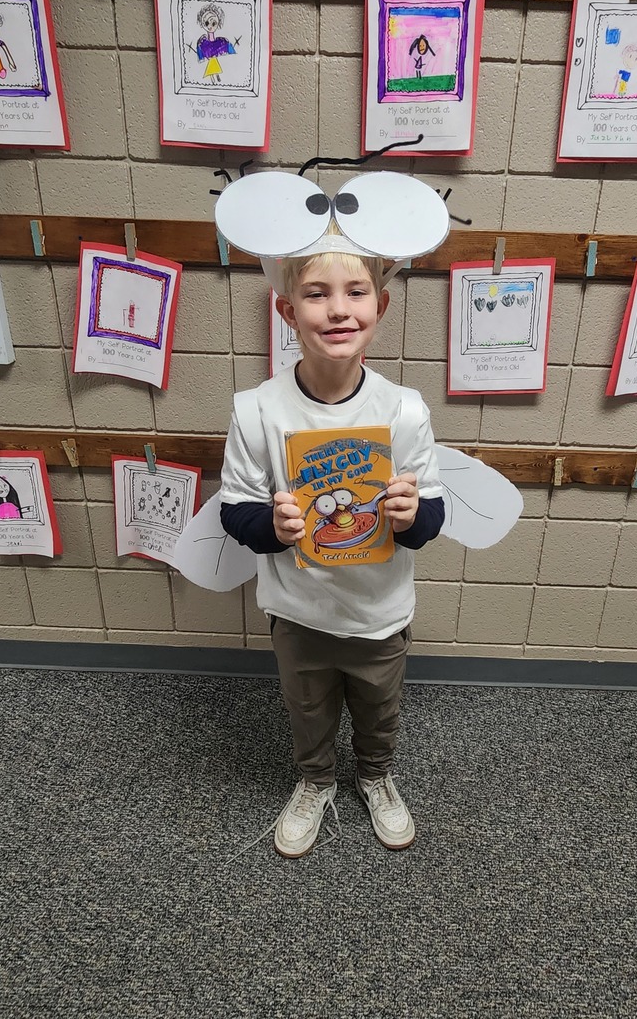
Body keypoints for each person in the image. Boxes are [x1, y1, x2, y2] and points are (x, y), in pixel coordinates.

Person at [219, 222, 445, 859]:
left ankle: (375, 775)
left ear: (382, 304)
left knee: (379, 708)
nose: (339, 309)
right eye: (317, 294)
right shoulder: (256, 409)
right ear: (287, 310)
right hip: (299, 610)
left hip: (379, 609)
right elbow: (235, 510)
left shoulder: (404, 410)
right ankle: (315, 780)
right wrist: (273, 526)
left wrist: (408, 514)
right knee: (307, 707)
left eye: (356, 292)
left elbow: (428, 525)